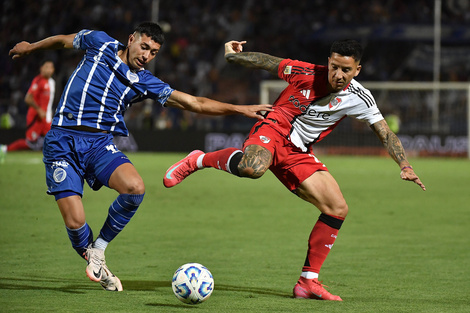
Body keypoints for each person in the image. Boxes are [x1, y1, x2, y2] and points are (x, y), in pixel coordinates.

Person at [9, 23, 272, 292]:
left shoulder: (145, 82)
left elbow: (194, 103)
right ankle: (93, 259)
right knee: (75, 222)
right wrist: (32, 47)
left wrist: (241, 109)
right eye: (144, 47)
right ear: (131, 39)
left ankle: (98, 251)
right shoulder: (99, 43)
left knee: (135, 188)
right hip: (61, 142)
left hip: (98, 145)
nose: (146, 56)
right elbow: (64, 40)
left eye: (154, 52)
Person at [163, 39, 426, 301]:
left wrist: (404, 165)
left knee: (337, 208)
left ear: (357, 69)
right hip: (274, 128)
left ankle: (307, 283)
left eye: (345, 70)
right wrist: (233, 57)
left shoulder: (360, 98)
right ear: (328, 62)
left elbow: (385, 132)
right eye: (334, 66)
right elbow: (268, 62)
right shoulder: (307, 73)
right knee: (252, 168)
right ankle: (198, 160)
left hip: (298, 152)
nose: (337, 74)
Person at [5, 60, 55, 152]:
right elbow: (28, 98)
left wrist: (50, 113)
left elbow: (50, 102)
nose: (49, 70)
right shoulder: (38, 80)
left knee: (53, 140)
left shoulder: (52, 82)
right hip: (36, 117)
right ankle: (5, 149)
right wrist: (39, 110)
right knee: (30, 143)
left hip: (46, 118)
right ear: (41, 68)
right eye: (46, 67)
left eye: (51, 67)